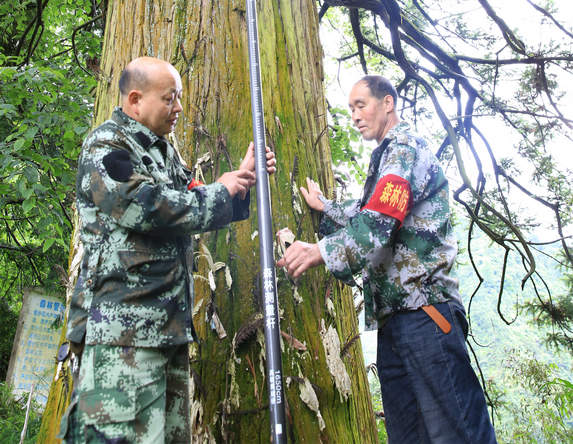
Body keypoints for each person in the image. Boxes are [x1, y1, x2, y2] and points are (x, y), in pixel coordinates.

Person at [60, 56, 275, 443]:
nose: (178, 108)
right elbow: (145, 206)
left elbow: (189, 199)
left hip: (168, 332)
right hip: (122, 338)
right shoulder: (107, 145)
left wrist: (238, 185)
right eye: (170, 98)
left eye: (179, 98)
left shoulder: (162, 151)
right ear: (136, 100)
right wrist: (220, 193)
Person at [277, 74, 497, 444]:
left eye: (361, 105)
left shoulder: (405, 148)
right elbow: (368, 211)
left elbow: (381, 218)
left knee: (457, 433)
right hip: (396, 321)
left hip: (426, 314)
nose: (355, 116)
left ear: (388, 104)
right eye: (350, 110)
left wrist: (318, 252)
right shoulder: (387, 159)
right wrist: (325, 208)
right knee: (408, 436)